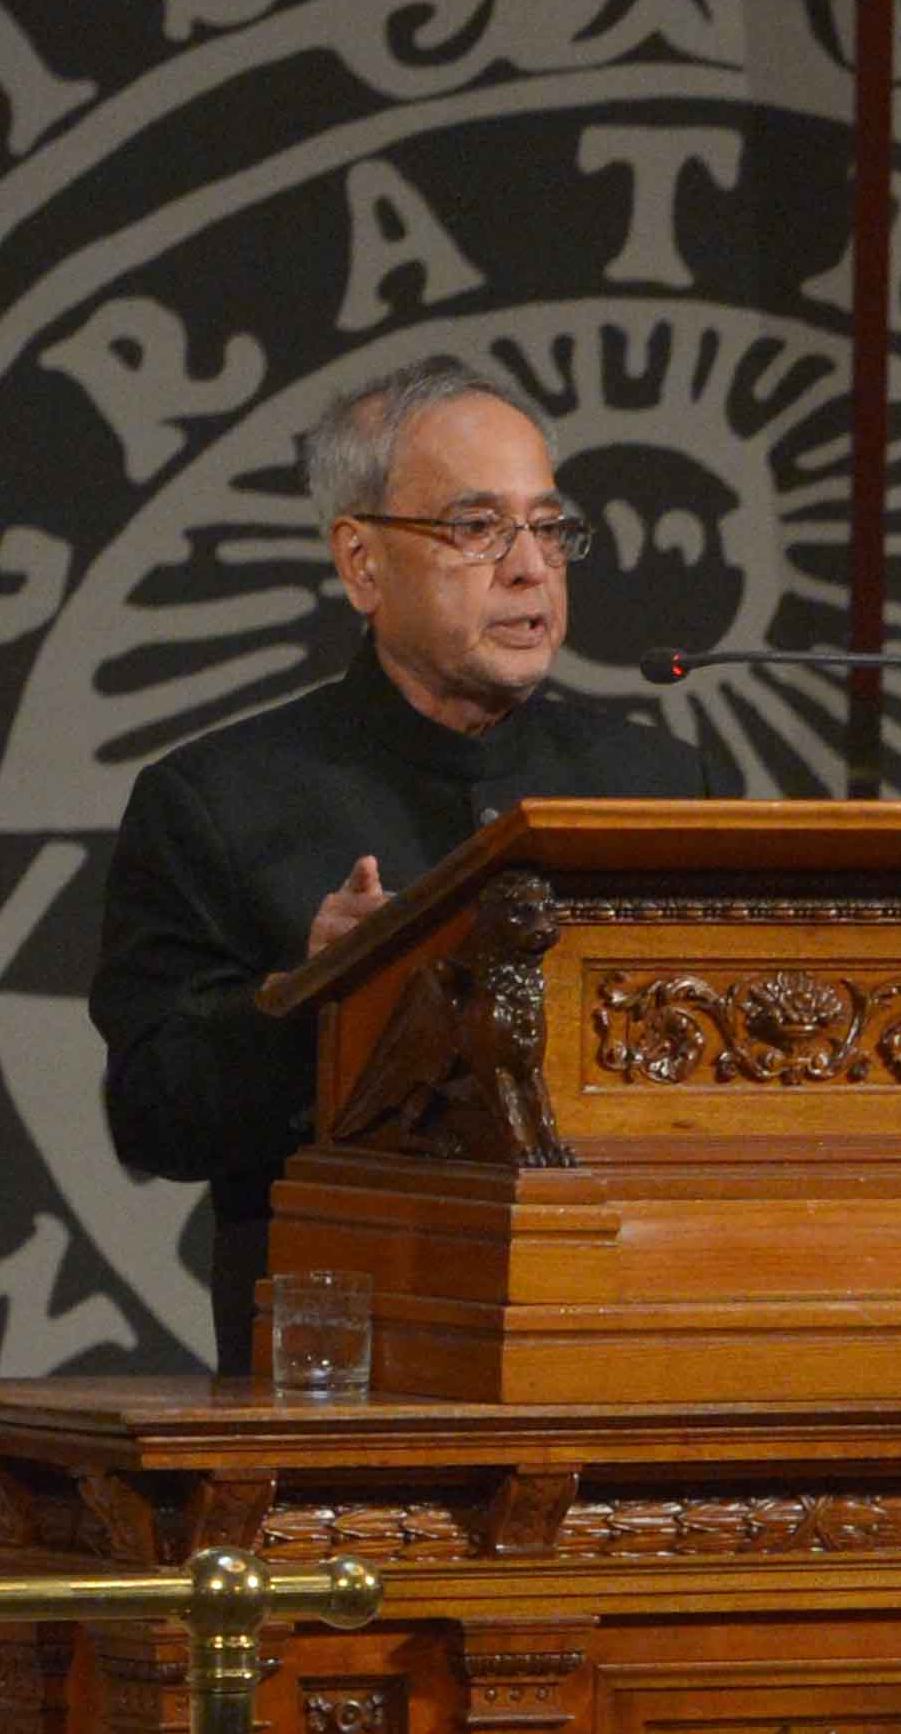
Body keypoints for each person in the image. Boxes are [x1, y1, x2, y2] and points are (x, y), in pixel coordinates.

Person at [90, 356, 715, 1371]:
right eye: (478, 528)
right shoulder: (220, 798)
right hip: (359, 1374)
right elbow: (153, 1114)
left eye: (549, 527)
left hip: (625, 1355)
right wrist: (319, 1001)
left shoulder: (654, 784)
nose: (530, 568)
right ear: (362, 563)